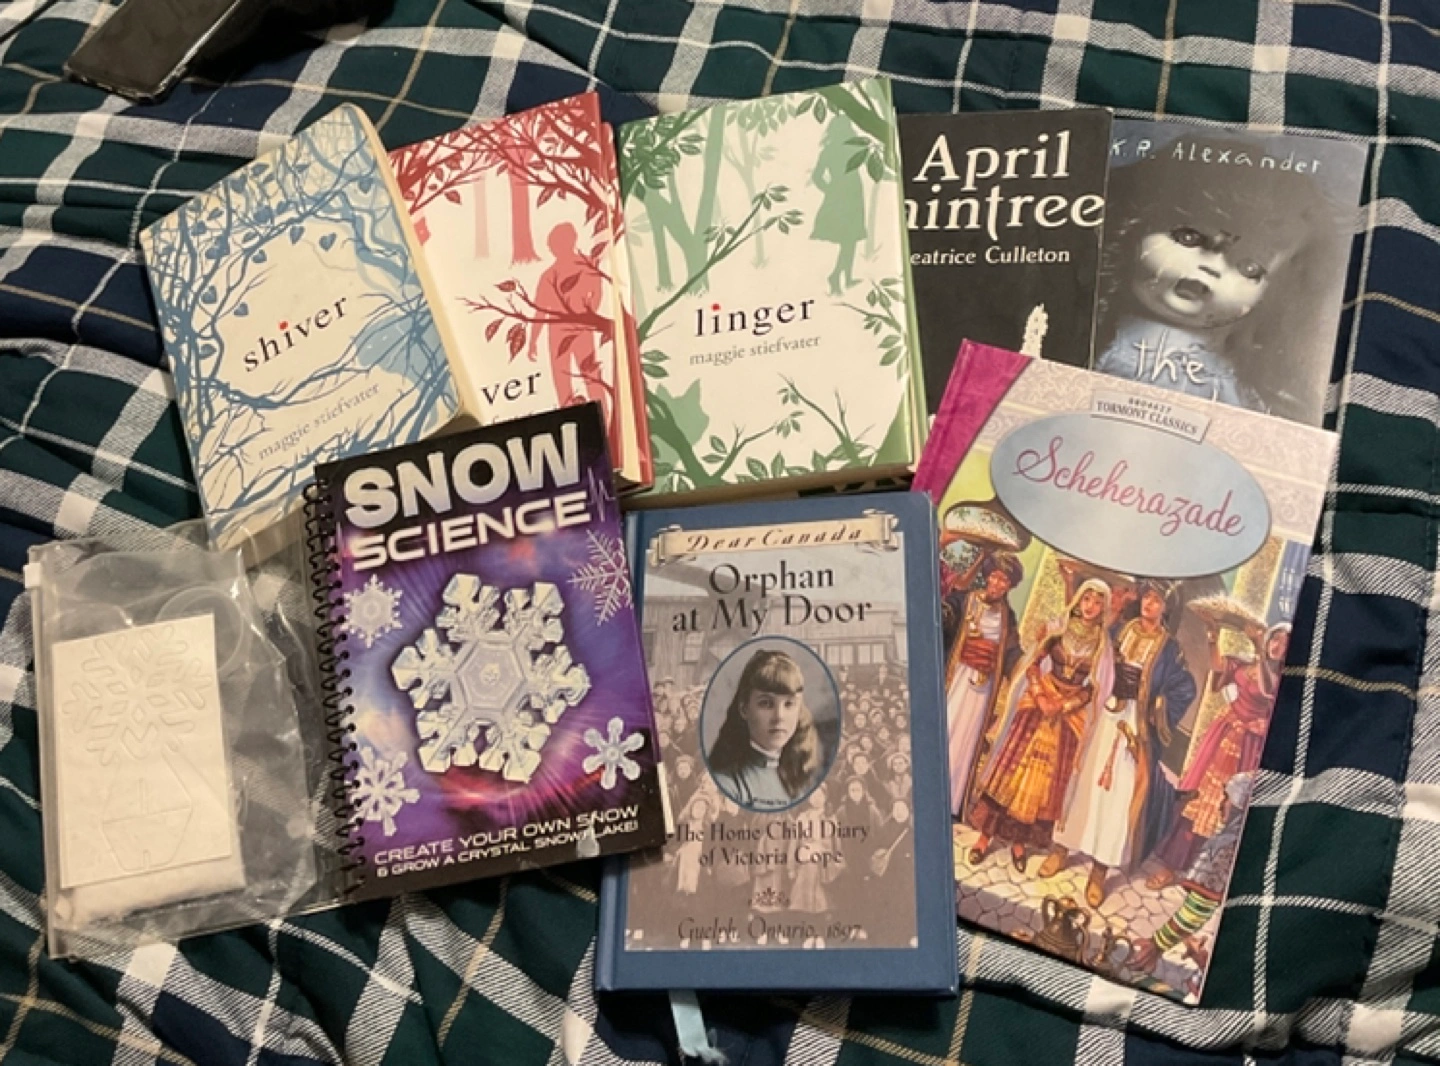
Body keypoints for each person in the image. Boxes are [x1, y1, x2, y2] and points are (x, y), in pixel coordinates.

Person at [1091, 141, 1344, 421]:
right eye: (1189, 238)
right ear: (1130, 227)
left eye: (1248, 268)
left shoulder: (1251, 378)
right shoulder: (1096, 334)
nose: (1211, 267)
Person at [1048, 580, 1197, 906]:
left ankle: (1099, 871)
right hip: (1101, 712)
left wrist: (1155, 707)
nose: (1149, 604)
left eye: (1157, 600)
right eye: (1147, 597)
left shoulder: (1170, 650)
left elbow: (1185, 688)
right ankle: (1061, 848)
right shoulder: (1119, 629)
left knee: (1118, 794)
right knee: (1082, 780)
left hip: (1134, 725)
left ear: (1166, 608)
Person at [967, 580, 1114, 873]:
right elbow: (1033, 664)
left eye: (1098, 602)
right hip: (1038, 702)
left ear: (1104, 609)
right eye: (1087, 599)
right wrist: (1040, 695)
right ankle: (984, 838)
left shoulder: (1102, 645)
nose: (1090, 606)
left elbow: (1094, 689)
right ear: (1079, 600)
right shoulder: (1057, 627)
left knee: (1042, 783)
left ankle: (1019, 843)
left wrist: (1064, 706)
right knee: (1011, 770)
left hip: (1068, 716)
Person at [1147, 622, 1288, 889]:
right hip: (1223, 732)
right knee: (1197, 792)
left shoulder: (1282, 679)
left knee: (1225, 804)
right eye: (1275, 640)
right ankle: (1171, 866)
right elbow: (1219, 667)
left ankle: (1201, 874)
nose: (1277, 647)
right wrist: (1213, 637)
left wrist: (1258, 645)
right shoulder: (1247, 664)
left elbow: (1269, 694)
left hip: (1247, 744)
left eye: (1284, 644)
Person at [1131, 773, 1254, 987]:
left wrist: (1156, 945)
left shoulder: (1227, 848)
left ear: (1239, 809)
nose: (1220, 805)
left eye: (1227, 799)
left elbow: (1197, 910)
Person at [943, 554, 1023, 818]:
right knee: (946, 727)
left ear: (1009, 586)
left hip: (982, 690)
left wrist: (1027, 670)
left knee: (966, 741)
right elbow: (945, 621)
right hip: (956, 678)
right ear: (987, 577)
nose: (997, 584)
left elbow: (1012, 654)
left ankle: (951, 802)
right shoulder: (965, 600)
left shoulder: (1007, 617)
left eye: (1004, 581)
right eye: (995, 577)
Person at [707, 648, 821, 810]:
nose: (779, 716)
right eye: (766, 703)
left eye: (789, 704)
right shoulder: (728, 783)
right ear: (744, 709)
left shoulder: (800, 778)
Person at [529, 222, 610, 419]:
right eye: (552, 245)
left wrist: (590, 314)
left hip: (580, 329)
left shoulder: (587, 265)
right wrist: (533, 340)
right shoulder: (549, 276)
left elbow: (597, 293)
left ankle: (605, 419)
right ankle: (573, 422)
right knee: (563, 381)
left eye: (557, 244)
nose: (554, 249)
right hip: (559, 333)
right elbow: (540, 312)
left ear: (571, 241)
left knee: (591, 377)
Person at [809, 115, 866, 295]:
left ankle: (846, 278)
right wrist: (830, 190)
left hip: (842, 194)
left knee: (849, 239)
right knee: (849, 239)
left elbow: (817, 177)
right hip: (850, 194)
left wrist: (829, 189)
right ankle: (836, 277)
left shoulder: (829, 150)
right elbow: (816, 176)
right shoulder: (855, 147)